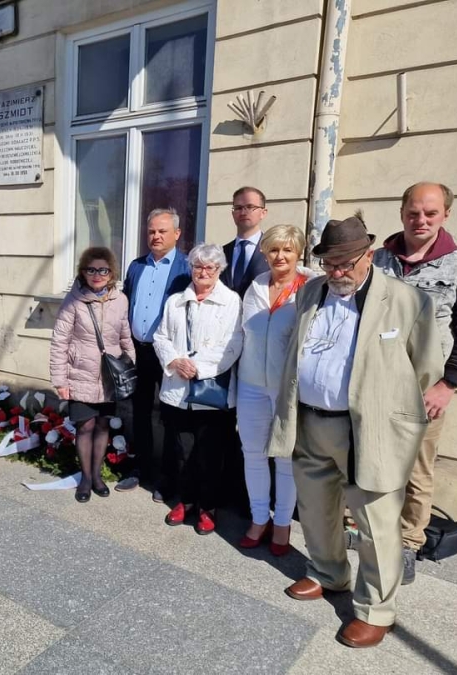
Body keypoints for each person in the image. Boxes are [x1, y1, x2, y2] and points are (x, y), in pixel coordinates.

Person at [269, 214, 443, 648]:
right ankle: (328, 573)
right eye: (329, 264)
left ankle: (376, 610)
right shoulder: (310, 291)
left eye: (346, 263)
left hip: (368, 429)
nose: (337, 272)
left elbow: (425, 369)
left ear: (369, 256)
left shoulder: (407, 301)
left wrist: (398, 419)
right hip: (310, 420)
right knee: (315, 509)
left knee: (376, 522)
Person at [372, 182, 457, 584]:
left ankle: (408, 543)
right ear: (402, 212)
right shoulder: (377, 260)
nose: (420, 220)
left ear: (445, 215)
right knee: (369, 460)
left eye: (430, 213)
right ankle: (368, 532)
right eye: (413, 212)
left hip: (424, 392)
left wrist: (448, 386)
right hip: (374, 386)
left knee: (417, 471)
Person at [153, 243, 243, 534]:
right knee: (181, 451)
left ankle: (208, 507)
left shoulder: (231, 302)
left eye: (210, 267)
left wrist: (198, 368)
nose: (203, 272)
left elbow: (233, 344)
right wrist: (174, 361)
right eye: (197, 266)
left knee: (210, 455)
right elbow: (161, 337)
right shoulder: (175, 301)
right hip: (177, 391)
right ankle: (186, 500)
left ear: (219, 270)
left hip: (211, 394)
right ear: (190, 268)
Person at [237, 225, 315, 555]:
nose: (280, 256)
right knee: (253, 454)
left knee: (285, 457)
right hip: (251, 383)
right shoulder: (255, 286)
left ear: (298, 253)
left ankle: (282, 523)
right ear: (265, 253)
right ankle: (259, 519)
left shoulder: (311, 288)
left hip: (287, 388)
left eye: (287, 250)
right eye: (273, 250)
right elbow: (241, 333)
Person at [116, 207, 192, 495]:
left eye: (162, 231)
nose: (156, 236)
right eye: (151, 231)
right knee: (140, 411)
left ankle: (168, 478)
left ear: (177, 233)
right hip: (139, 352)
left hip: (169, 355)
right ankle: (141, 469)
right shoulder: (136, 266)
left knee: (171, 415)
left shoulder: (186, 267)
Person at [50, 246, 134, 503]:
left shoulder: (120, 300)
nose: (97, 275)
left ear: (112, 273)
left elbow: (125, 337)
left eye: (103, 270)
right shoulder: (73, 301)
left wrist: (130, 366)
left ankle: (97, 476)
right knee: (85, 426)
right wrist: (60, 380)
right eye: (91, 270)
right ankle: (86, 479)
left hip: (109, 378)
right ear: (83, 272)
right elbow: (59, 342)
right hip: (81, 374)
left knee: (103, 424)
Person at [223, 187, 271, 299]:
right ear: (233, 213)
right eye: (238, 208)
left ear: (263, 213)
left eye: (250, 207)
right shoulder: (221, 253)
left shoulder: (274, 251)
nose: (243, 212)